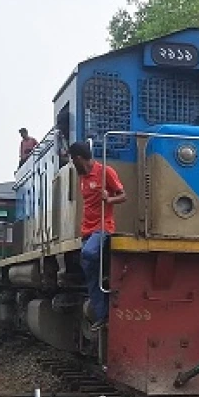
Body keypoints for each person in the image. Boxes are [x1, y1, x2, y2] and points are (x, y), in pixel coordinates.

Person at [72, 140, 127, 331]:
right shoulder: (82, 178)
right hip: (86, 230)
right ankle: (102, 315)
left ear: (79, 158)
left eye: (73, 159)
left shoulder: (106, 172)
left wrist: (109, 198)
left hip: (103, 226)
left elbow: (123, 195)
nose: (72, 163)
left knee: (88, 254)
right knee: (89, 276)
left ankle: (106, 269)